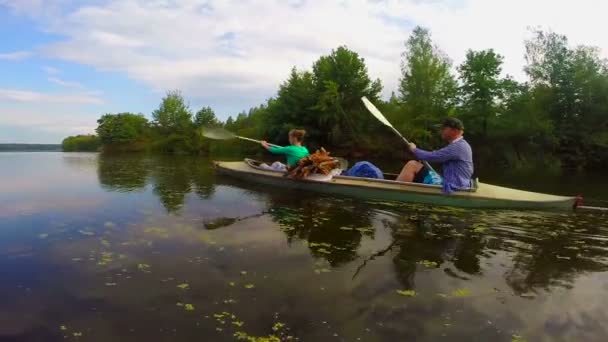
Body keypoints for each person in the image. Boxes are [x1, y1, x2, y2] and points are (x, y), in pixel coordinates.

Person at [397, 117, 474, 194]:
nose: (441, 131)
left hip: (453, 186)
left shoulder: (458, 146)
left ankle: (396, 191)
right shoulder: (461, 145)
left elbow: (432, 156)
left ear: (454, 131)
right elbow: (437, 155)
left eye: (444, 128)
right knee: (416, 165)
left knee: (412, 165)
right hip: (459, 183)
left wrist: (414, 149)